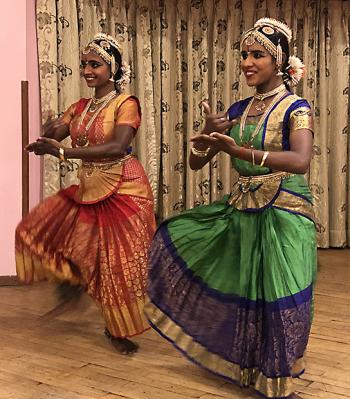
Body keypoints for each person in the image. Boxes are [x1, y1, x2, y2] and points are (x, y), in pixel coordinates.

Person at [145, 18, 316, 398]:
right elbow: (195, 164)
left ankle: (280, 378)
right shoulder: (239, 108)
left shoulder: (296, 107)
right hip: (244, 208)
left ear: (280, 60)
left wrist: (239, 152)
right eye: (244, 55)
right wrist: (205, 138)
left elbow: (301, 160)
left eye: (258, 55)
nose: (247, 62)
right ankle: (253, 368)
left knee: (280, 291)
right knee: (247, 289)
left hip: (284, 209)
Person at [15, 33, 156, 355]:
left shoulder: (126, 103)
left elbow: (118, 146)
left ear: (113, 68)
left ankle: (117, 329)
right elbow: (55, 133)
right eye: (84, 64)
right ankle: (75, 279)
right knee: (34, 229)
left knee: (116, 264)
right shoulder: (79, 107)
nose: (88, 70)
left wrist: (63, 152)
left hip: (125, 189)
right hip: (91, 185)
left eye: (96, 64)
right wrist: (48, 133)